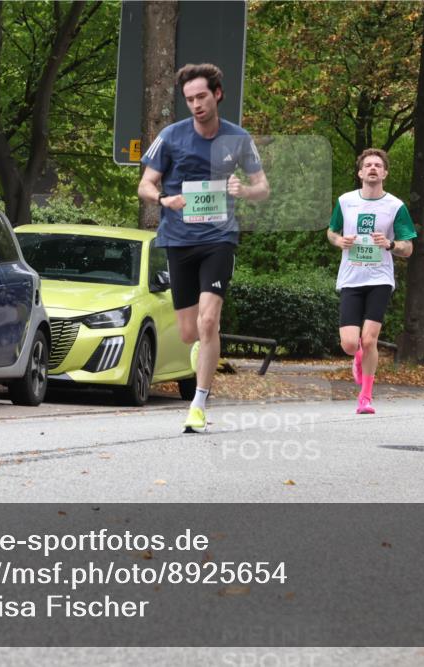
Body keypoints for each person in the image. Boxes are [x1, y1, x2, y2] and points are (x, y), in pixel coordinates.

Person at [138, 63, 270, 432]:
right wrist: (164, 200)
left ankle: (198, 403)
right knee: (188, 332)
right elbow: (145, 185)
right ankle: (202, 346)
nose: (195, 104)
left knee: (209, 320)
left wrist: (244, 190)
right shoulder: (171, 135)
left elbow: (263, 187)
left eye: (201, 97)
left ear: (217, 95)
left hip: (219, 238)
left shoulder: (238, 138)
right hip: (179, 239)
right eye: (189, 99)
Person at [328, 148, 415, 414]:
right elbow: (331, 232)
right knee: (350, 344)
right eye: (368, 165)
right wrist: (339, 240)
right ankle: (356, 358)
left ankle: (365, 396)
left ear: (385, 173)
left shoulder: (396, 206)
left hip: (380, 278)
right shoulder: (345, 201)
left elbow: (407, 248)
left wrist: (389, 244)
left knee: (370, 340)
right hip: (352, 277)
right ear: (360, 172)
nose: (373, 168)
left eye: (378, 165)